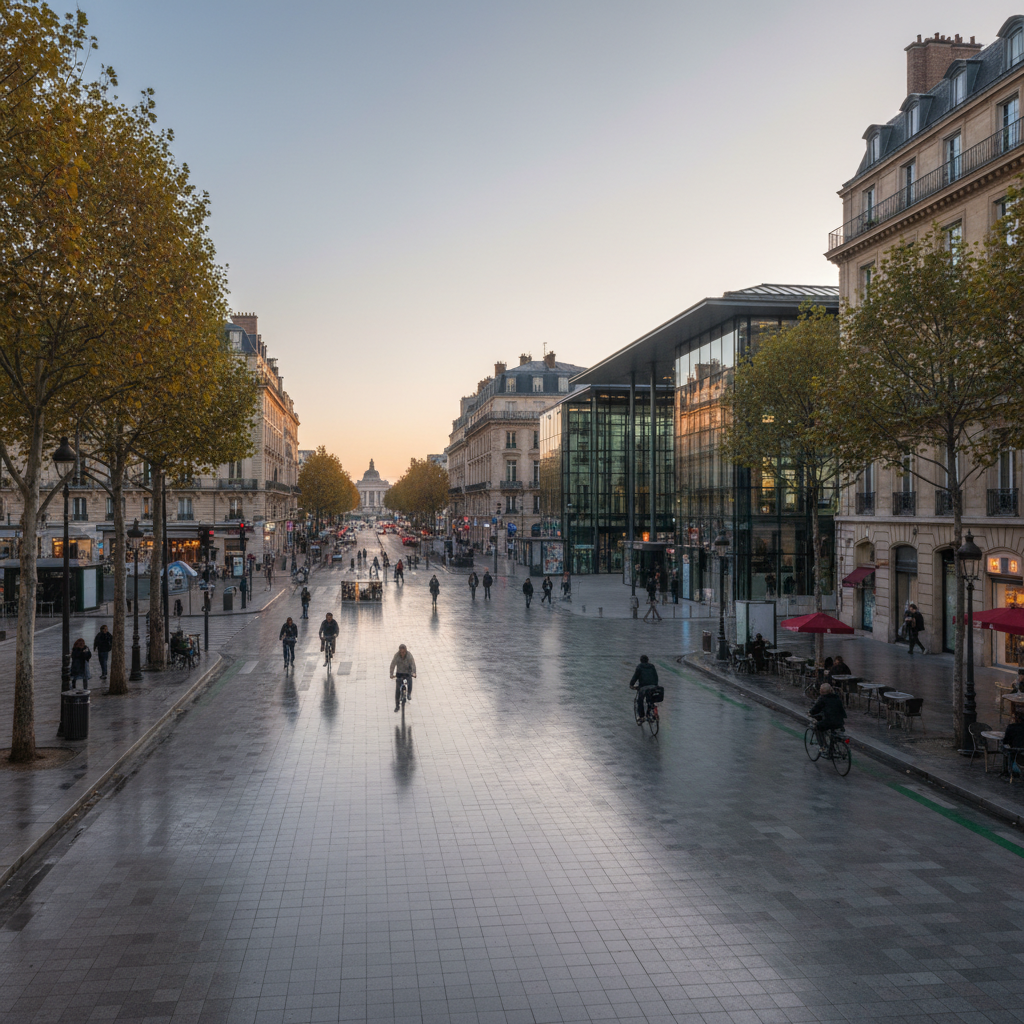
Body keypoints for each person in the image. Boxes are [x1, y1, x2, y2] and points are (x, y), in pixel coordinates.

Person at [808, 682, 847, 751]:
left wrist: (810, 713)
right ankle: (832, 748)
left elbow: (815, 709)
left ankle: (823, 746)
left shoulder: (822, 698)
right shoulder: (836, 697)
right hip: (840, 721)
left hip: (829, 721)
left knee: (817, 728)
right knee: (833, 732)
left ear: (821, 691)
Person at [628, 655, 660, 724]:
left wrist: (631, 685)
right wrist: (655, 685)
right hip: (653, 686)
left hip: (644, 687)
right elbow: (656, 676)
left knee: (640, 700)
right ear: (648, 660)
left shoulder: (639, 667)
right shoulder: (652, 666)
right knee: (650, 699)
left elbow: (635, 677)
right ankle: (650, 714)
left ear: (641, 660)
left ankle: (641, 716)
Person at [389, 644, 417, 712]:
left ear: (406, 651)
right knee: (397, 690)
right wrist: (391, 674)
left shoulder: (409, 655)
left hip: (407, 672)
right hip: (399, 673)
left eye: (404, 652)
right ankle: (397, 705)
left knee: (410, 681)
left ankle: (409, 693)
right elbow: (393, 664)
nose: (402, 654)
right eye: (401, 652)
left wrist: (414, 672)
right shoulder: (397, 656)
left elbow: (413, 664)